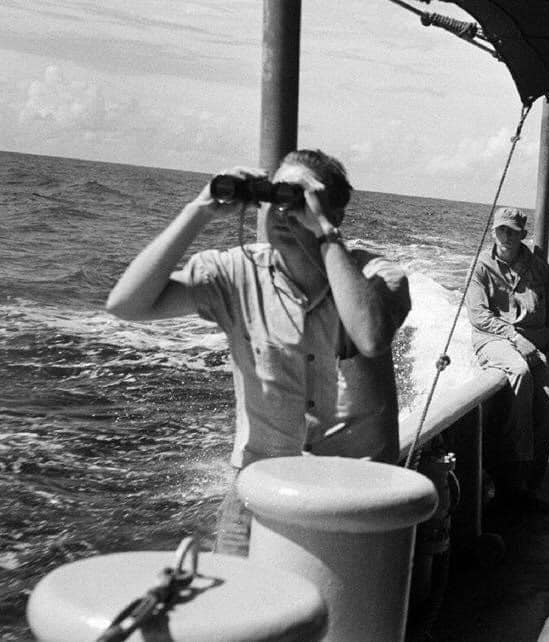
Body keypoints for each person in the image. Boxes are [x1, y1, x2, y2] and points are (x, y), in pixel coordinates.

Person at [105, 149, 411, 555]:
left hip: (352, 497)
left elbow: (370, 336)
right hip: (260, 492)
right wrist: (199, 211)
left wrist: (323, 232)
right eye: (275, 197)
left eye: (297, 199)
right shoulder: (237, 272)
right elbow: (126, 305)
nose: (283, 212)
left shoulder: (377, 276)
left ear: (334, 214)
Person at [466, 206, 549, 512]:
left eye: (513, 231)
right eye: (501, 230)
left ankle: (531, 489)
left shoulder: (539, 268)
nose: (506, 236)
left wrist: (538, 343)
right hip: (492, 339)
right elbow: (479, 316)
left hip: (531, 344)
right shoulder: (481, 267)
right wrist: (514, 337)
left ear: (523, 235)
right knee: (519, 371)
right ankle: (512, 480)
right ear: (494, 231)